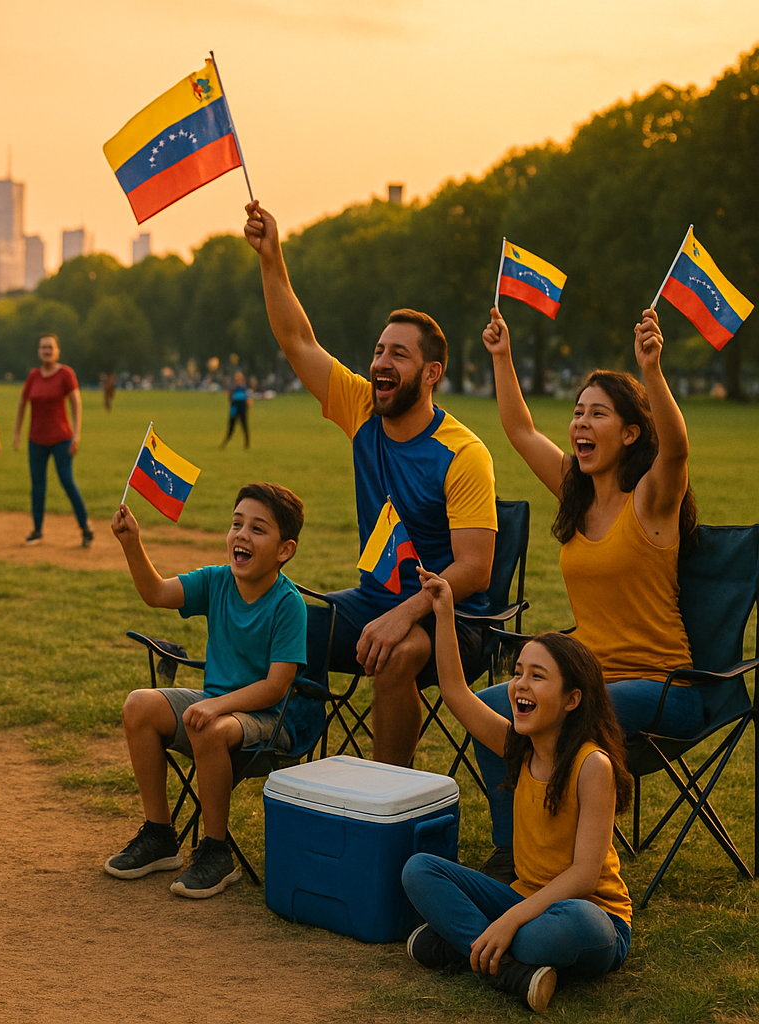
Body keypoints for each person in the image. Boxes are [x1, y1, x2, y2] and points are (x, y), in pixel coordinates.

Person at [244, 199, 497, 768]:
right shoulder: (362, 409)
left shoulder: (463, 453)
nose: (381, 362)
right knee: (291, 621)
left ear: (431, 374)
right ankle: (293, 758)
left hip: (454, 618)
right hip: (372, 599)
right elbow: (298, 341)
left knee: (397, 652)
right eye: (379, 350)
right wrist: (271, 257)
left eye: (398, 355)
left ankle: (387, 796)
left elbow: (476, 568)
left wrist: (405, 612)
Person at [470, 306, 696, 883]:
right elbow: (521, 431)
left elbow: (675, 451)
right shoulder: (577, 491)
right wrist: (502, 356)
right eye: (577, 414)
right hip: (589, 676)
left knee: (550, 721)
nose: (580, 424)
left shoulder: (651, 499)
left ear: (629, 433)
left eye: (598, 414)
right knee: (495, 708)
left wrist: (652, 370)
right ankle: (512, 853)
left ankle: (569, 864)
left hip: (659, 682)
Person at [402, 570, 632, 1014]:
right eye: (518, 672)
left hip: (589, 915)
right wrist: (444, 611)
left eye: (538, 676)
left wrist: (508, 920)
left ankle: (466, 942)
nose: (520, 685)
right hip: (524, 899)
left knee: (556, 931)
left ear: (572, 699)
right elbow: (454, 691)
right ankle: (510, 971)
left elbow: (584, 877)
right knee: (419, 870)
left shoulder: (592, 765)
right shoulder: (517, 749)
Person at [104, 484, 308, 898]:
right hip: (215, 705)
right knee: (139, 705)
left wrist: (218, 707)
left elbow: (276, 686)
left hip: (272, 719)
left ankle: (216, 851)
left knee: (210, 728)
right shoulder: (217, 581)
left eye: (257, 528)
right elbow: (156, 593)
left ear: (284, 550)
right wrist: (131, 543)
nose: (241, 535)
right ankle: (160, 836)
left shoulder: (289, 604)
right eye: (236, 524)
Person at [13, 334, 93, 548]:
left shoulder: (66, 374)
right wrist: (17, 433)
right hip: (36, 439)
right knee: (37, 485)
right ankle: (37, 530)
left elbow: (76, 403)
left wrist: (77, 435)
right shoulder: (33, 376)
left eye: (50, 347)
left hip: (61, 439)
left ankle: (85, 527)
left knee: (67, 481)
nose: (46, 350)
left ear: (58, 351)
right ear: (38, 351)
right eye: (43, 347)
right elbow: (22, 403)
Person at [221, 370, 251, 448]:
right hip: (235, 408)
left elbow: (248, 398)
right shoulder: (233, 386)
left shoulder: (244, 387)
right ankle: (225, 442)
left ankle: (247, 443)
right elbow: (229, 396)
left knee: (244, 426)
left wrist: (248, 402)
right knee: (231, 426)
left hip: (242, 408)